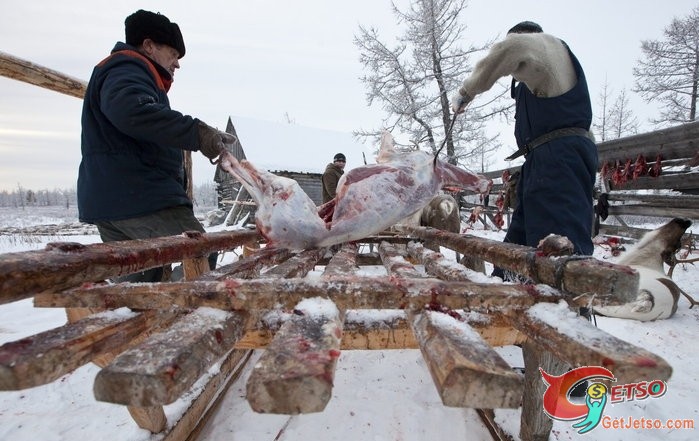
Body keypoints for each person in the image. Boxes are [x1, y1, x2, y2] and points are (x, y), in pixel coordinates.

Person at [78, 9, 235, 282]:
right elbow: (132, 112)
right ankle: (187, 314)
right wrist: (197, 133)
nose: (177, 64)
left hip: (112, 198)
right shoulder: (126, 69)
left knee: (143, 279)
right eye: (173, 54)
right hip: (138, 196)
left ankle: (140, 318)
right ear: (149, 46)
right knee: (197, 251)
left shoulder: (130, 75)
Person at [451, 21, 598, 272]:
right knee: (516, 250)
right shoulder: (543, 80)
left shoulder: (543, 45)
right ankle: (504, 296)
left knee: (557, 249)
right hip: (540, 162)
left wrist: (466, 92)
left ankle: (569, 307)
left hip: (558, 161)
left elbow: (514, 48)